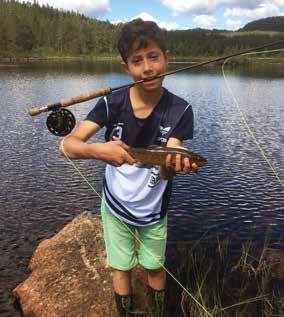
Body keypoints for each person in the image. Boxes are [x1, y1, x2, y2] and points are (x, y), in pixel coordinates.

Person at [60, 18, 197, 317]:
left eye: (153, 57)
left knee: (154, 268)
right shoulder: (113, 103)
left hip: (154, 210)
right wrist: (99, 150)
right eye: (137, 60)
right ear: (127, 67)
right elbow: (67, 146)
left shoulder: (181, 109)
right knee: (120, 268)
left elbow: (170, 158)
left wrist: (174, 163)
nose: (147, 67)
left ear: (166, 58)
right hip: (115, 206)